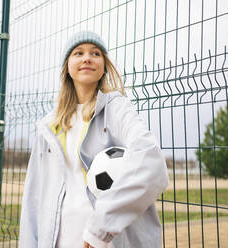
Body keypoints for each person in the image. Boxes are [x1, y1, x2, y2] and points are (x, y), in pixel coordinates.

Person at [19, 31, 169, 248]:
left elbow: (151, 163)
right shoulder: (49, 127)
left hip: (103, 241)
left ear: (104, 66)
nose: (87, 58)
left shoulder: (117, 110)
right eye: (78, 53)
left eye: (95, 53)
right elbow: (33, 199)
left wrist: (101, 228)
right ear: (67, 67)